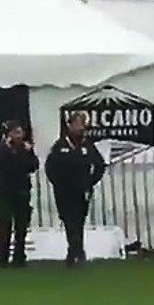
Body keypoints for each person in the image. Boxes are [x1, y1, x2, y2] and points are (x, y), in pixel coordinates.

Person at [46, 112, 105, 267]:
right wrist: (57, 183)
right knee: (68, 220)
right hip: (64, 191)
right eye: (77, 124)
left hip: (82, 190)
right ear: (70, 125)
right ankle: (75, 250)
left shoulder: (87, 145)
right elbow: (50, 167)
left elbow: (100, 164)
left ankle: (76, 251)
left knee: (79, 220)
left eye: (83, 124)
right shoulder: (60, 145)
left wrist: (91, 181)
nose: (81, 128)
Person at [0, 120, 38, 267]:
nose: (18, 136)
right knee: (4, 225)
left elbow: (34, 166)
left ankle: (19, 257)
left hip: (22, 191)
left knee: (21, 226)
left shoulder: (26, 149)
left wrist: (29, 152)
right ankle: (2, 257)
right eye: (15, 133)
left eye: (20, 133)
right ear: (9, 134)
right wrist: (7, 149)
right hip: (5, 192)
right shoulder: (1, 149)